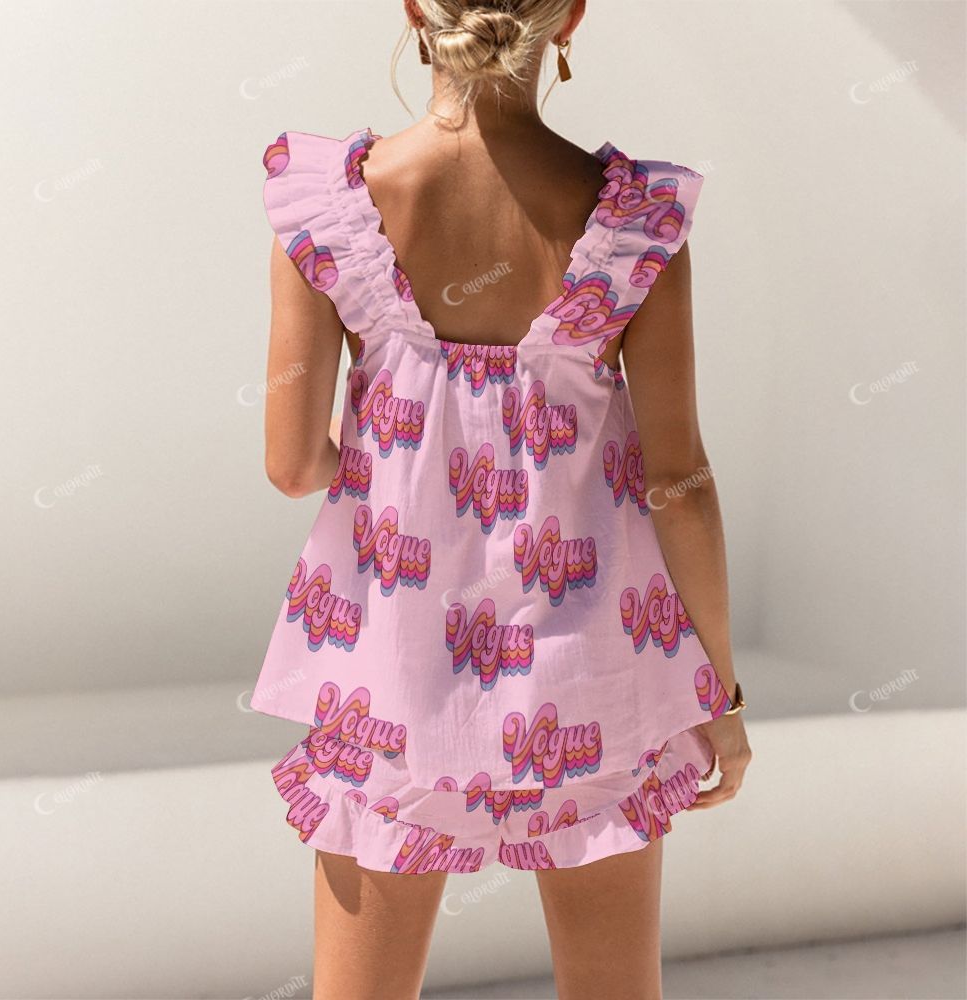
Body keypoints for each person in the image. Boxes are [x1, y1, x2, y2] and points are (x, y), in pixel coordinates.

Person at [250, 1, 752, 997]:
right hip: (592, 676)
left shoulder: (329, 210)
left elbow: (293, 465)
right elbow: (678, 484)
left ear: (414, 9)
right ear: (570, 18)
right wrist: (720, 699)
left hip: (387, 672)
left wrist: (406, 449)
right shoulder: (635, 226)